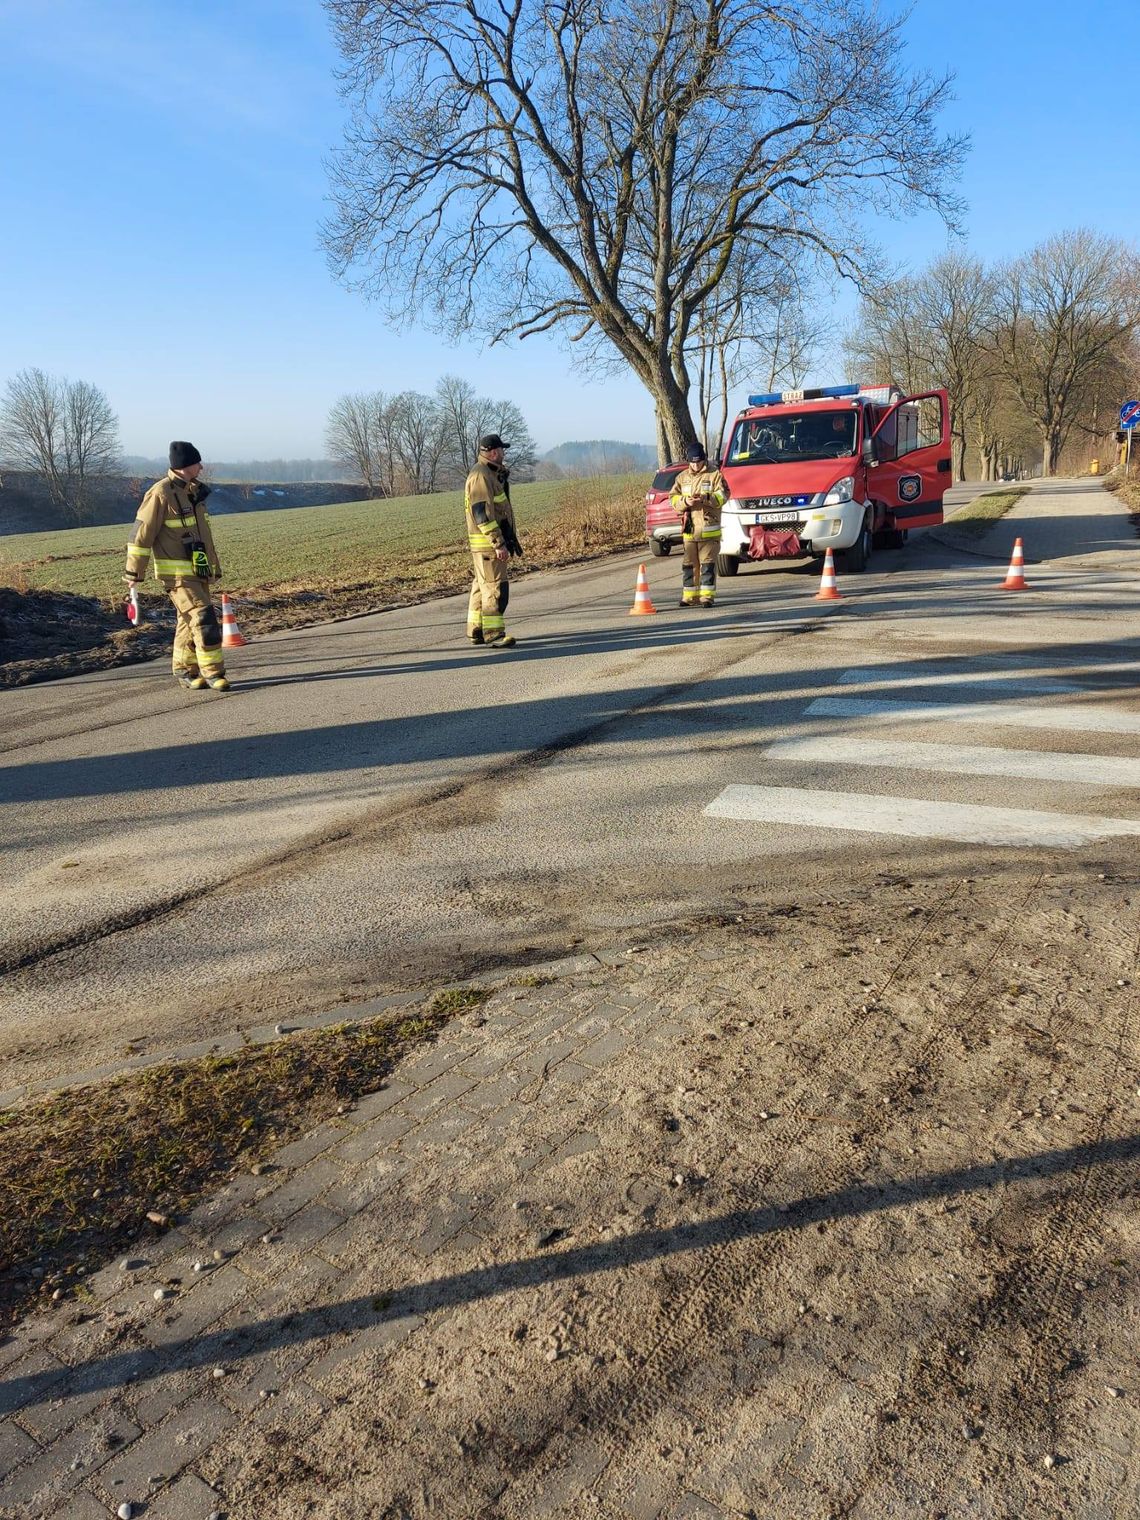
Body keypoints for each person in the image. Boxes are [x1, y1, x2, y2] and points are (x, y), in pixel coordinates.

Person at [123, 441, 229, 691]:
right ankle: (215, 673)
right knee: (203, 618)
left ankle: (184, 670)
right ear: (184, 466)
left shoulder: (193, 493)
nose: (201, 467)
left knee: (187, 621)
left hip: (198, 571)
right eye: (197, 463)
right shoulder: (160, 494)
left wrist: (211, 567)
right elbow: (140, 536)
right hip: (177, 575)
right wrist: (134, 573)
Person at [464, 432, 522, 648]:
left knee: (482, 586)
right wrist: (498, 543)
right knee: (496, 588)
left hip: (484, 545)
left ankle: (476, 630)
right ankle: (494, 633)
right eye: (502, 450)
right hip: (488, 545)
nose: (504, 454)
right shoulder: (481, 476)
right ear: (494, 452)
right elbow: (482, 515)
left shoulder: (488, 473)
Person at [670, 442, 729, 607]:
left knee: (707, 564)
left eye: (699, 461)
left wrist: (705, 498)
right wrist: (685, 501)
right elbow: (673, 498)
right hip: (689, 529)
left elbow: (724, 496)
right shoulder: (681, 478)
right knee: (689, 565)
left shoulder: (715, 475)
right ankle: (689, 597)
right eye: (693, 462)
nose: (696, 465)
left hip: (709, 528)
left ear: (703, 459)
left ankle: (706, 597)